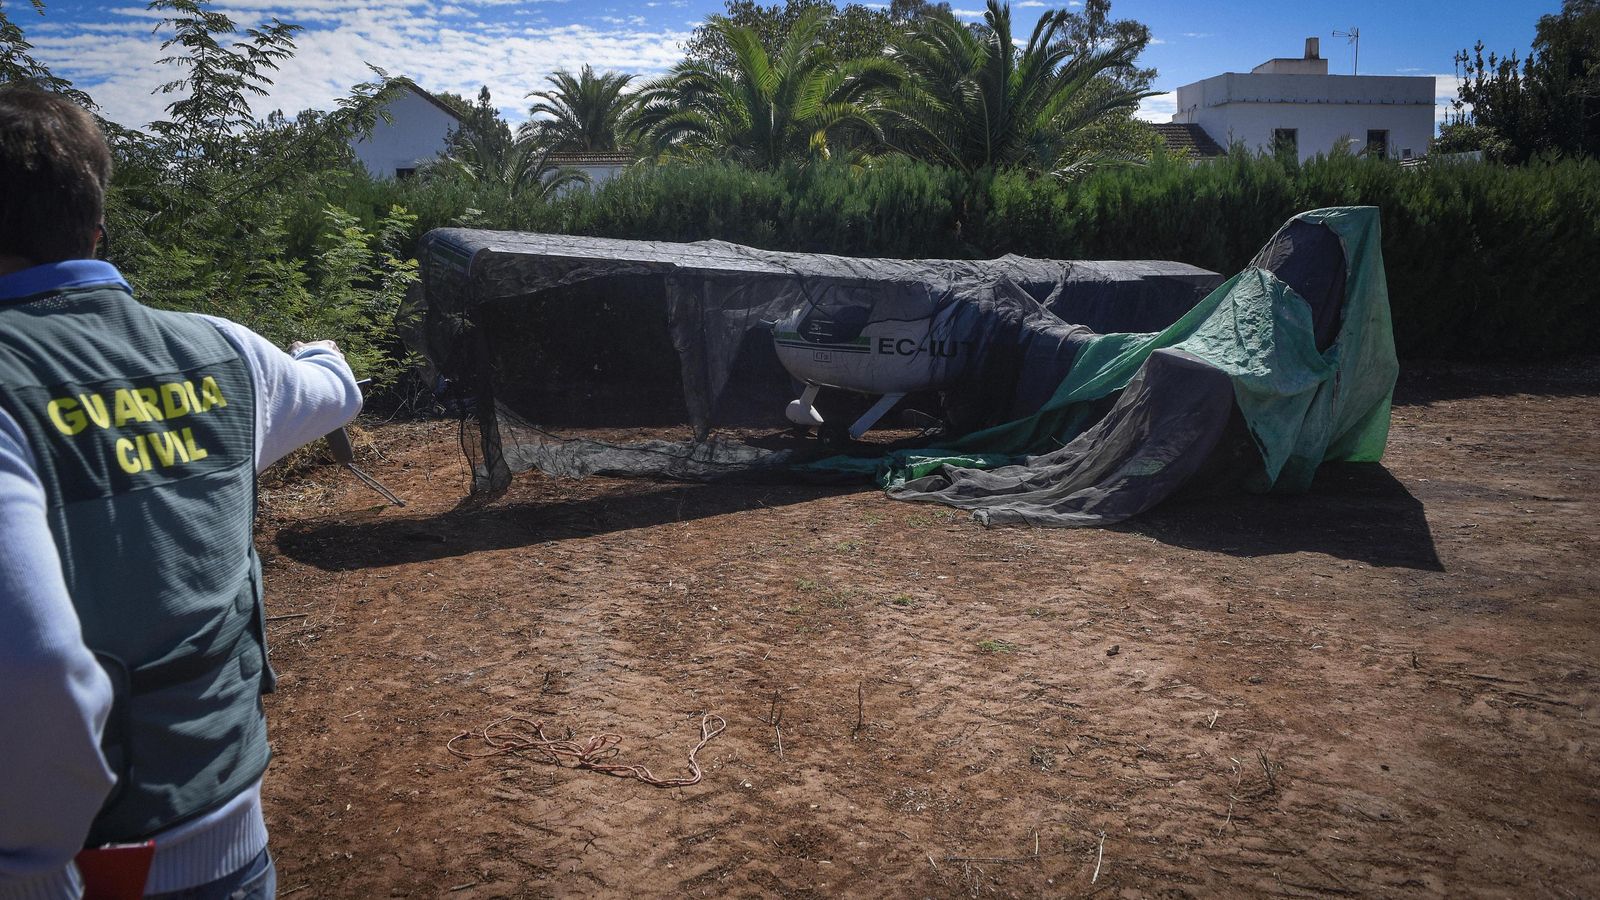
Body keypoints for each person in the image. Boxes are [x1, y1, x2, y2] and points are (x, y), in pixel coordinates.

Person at [0, 87, 363, 898]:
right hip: (233, 849)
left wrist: (29, 869)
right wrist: (324, 349)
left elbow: (33, 667)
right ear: (95, 224)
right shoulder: (225, 353)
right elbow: (333, 390)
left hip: (77, 869)